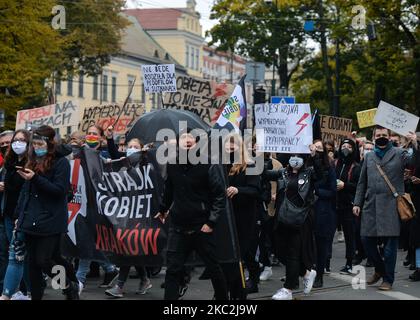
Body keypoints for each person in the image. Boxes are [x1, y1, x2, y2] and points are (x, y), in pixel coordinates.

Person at [156, 129, 228, 300]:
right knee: (173, 270)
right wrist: (163, 209)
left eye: (190, 138)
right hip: (178, 226)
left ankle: (223, 300)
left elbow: (219, 195)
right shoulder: (172, 164)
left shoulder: (208, 164)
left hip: (201, 226)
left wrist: (211, 222)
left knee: (213, 267)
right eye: (183, 137)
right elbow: (169, 190)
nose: (187, 140)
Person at [14, 125, 79, 300]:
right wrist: (19, 215)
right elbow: (25, 192)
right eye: (34, 144)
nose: (36, 147)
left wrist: (35, 178)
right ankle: (37, 296)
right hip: (31, 219)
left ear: (50, 143)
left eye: (40, 144)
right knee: (33, 264)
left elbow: (59, 190)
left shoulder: (61, 163)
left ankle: (68, 285)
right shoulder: (32, 160)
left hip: (51, 219)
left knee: (43, 261)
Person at [353, 126, 418, 291]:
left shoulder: (400, 153)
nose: (381, 137)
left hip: (391, 205)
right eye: (378, 135)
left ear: (389, 137)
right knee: (366, 240)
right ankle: (380, 269)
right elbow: (362, 182)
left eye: (384, 135)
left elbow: (414, 162)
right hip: (370, 205)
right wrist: (357, 203)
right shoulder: (369, 156)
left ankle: (388, 279)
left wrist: (416, 144)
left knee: (390, 247)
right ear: (374, 137)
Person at [267, 147, 320, 300]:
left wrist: (315, 156)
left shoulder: (309, 173)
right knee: (279, 251)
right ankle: (306, 272)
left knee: (293, 253)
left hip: (301, 219)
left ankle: (288, 289)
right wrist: (260, 155)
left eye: (298, 156)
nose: (295, 159)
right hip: (283, 218)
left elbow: (321, 174)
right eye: (292, 156)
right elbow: (263, 173)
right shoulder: (283, 172)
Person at [224, 134, 260, 297]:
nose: (230, 148)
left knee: (245, 252)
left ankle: (252, 280)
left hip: (245, 216)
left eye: (233, 146)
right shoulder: (223, 164)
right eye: (227, 145)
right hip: (227, 216)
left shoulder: (251, 165)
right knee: (230, 254)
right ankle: (231, 285)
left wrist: (239, 190)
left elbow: (255, 190)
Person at [0, 130, 32, 300]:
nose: (16, 143)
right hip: (8, 214)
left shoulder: (32, 163)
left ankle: (23, 291)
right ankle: (13, 291)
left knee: (19, 258)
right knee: (11, 256)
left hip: (22, 216)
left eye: (22, 140)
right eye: (15, 140)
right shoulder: (9, 163)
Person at [311, 140, 336, 288]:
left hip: (323, 212)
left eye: (320, 148)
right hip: (307, 211)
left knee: (320, 246)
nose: (318, 150)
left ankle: (319, 275)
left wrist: (317, 192)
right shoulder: (306, 166)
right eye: (315, 148)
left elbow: (332, 191)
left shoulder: (329, 167)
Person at [335, 139, 361, 274]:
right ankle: (324, 263)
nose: (345, 149)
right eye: (343, 146)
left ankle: (350, 263)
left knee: (350, 236)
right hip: (334, 205)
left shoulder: (356, 167)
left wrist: (345, 186)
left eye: (349, 147)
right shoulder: (335, 164)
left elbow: (359, 186)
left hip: (348, 206)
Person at [0, 130, 14, 295]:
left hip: (16, 217)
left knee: (17, 256)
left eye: (8, 143)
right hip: (3, 216)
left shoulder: (26, 161)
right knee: (4, 255)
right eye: (2, 144)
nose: (5, 146)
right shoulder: (3, 165)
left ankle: (27, 290)